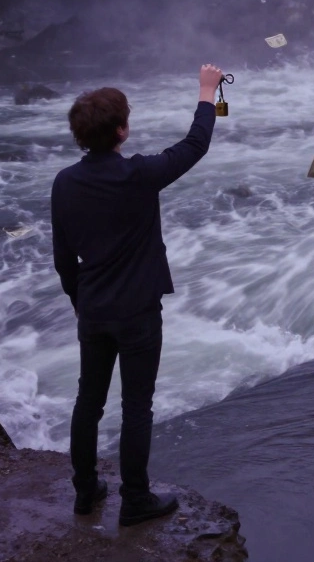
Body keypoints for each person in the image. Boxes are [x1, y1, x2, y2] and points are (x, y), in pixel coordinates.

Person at [51, 64, 222, 526]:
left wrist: (79, 302)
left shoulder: (64, 183)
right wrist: (207, 92)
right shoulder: (139, 175)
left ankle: (85, 493)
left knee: (89, 400)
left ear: (80, 136)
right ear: (122, 130)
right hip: (138, 312)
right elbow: (195, 145)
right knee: (136, 405)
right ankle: (135, 498)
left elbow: (63, 258)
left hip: (94, 309)